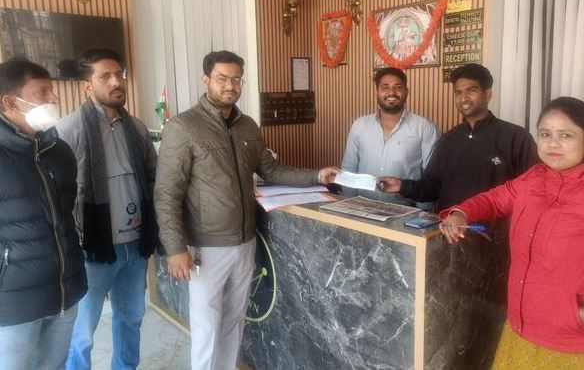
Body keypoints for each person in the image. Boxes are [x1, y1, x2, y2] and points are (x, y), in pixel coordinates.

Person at [154, 50, 338, 370]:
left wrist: (316, 176)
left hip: (244, 242)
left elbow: (272, 170)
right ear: (206, 80)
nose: (230, 86)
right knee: (207, 327)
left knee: (234, 321)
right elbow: (167, 193)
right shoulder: (183, 127)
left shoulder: (248, 126)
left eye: (236, 79)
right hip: (205, 247)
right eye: (222, 79)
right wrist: (175, 248)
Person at [439, 97, 584, 368]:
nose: (552, 143)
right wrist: (461, 213)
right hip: (519, 328)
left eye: (566, 135)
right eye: (545, 134)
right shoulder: (533, 178)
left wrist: (577, 315)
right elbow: (495, 199)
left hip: (570, 344)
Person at [56, 49, 160, 370]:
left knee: (131, 319)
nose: (116, 82)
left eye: (119, 75)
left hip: (135, 248)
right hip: (92, 250)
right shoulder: (68, 130)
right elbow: (55, 193)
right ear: (88, 86)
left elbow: (154, 179)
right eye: (105, 76)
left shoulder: (137, 129)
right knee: (82, 334)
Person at [0, 58, 87, 370]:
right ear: (10, 102)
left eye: (52, 90)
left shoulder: (58, 150)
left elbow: (67, 213)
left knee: (55, 366)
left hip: (66, 291)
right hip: (14, 301)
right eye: (42, 93)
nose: (53, 98)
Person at [378, 63, 538, 211]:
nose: (464, 98)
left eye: (471, 90)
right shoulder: (448, 140)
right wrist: (401, 186)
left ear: (488, 94)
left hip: (494, 231)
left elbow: (533, 190)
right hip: (449, 228)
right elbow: (431, 189)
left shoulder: (516, 138)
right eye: (458, 92)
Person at [341, 67, 439, 207]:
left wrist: (422, 215)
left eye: (398, 87)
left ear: (406, 92)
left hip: (405, 211)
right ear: (377, 92)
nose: (391, 92)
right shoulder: (359, 125)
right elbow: (349, 168)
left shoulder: (424, 128)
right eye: (385, 87)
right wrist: (348, 205)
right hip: (362, 207)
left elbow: (430, 178)